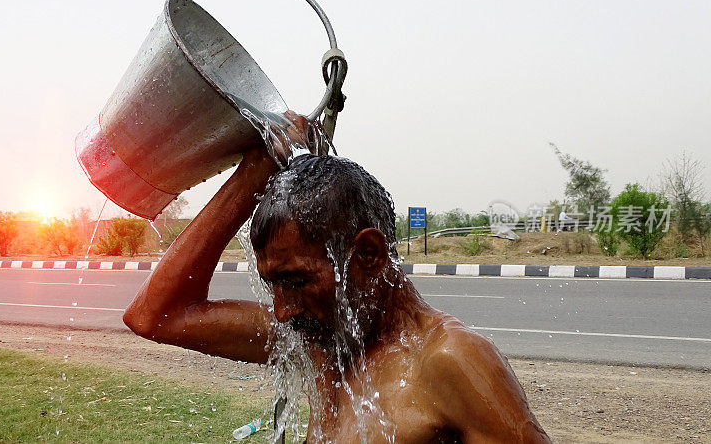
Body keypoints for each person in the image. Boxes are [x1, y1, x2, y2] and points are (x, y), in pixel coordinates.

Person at [123, 113, 550, 443]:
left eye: (295, 280)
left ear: (369, 254)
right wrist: (254, 172)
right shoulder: (317, 339)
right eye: (272, 284)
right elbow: (156, 316)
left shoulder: (448, 361)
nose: (282, 310)